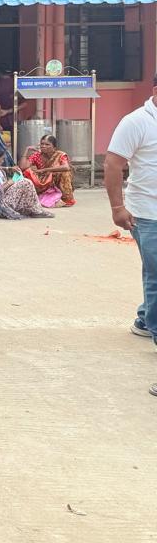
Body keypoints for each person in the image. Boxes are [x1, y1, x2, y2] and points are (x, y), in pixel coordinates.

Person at [104, 77, 157, 346]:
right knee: (156, 273)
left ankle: (146, 319)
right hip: (147, 213)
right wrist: (118, 208)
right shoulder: (136, 122)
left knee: (154, 272)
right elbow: (113, 164)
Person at [0, 130, 50, 220]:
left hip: (4, 199)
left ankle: (36, 209)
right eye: (1, 159)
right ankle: (36, 210)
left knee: (23, 179)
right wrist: (11, 182)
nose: (3, 161)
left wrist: (9, 170)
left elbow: (2, 169)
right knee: (25, 182)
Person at [22, 134, 75, 207]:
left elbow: (66, 167)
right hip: (43, 181)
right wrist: (26, 150)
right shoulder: (37, 155)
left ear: (54, 147)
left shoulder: (60, 155)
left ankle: (66, 199)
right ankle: (38, 195)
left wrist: (46, 170)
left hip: (56, 181)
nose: (43, 146)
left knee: (65, 173)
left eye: (47, 144)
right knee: (27, 172)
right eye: (42, 144)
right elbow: (23, 167)